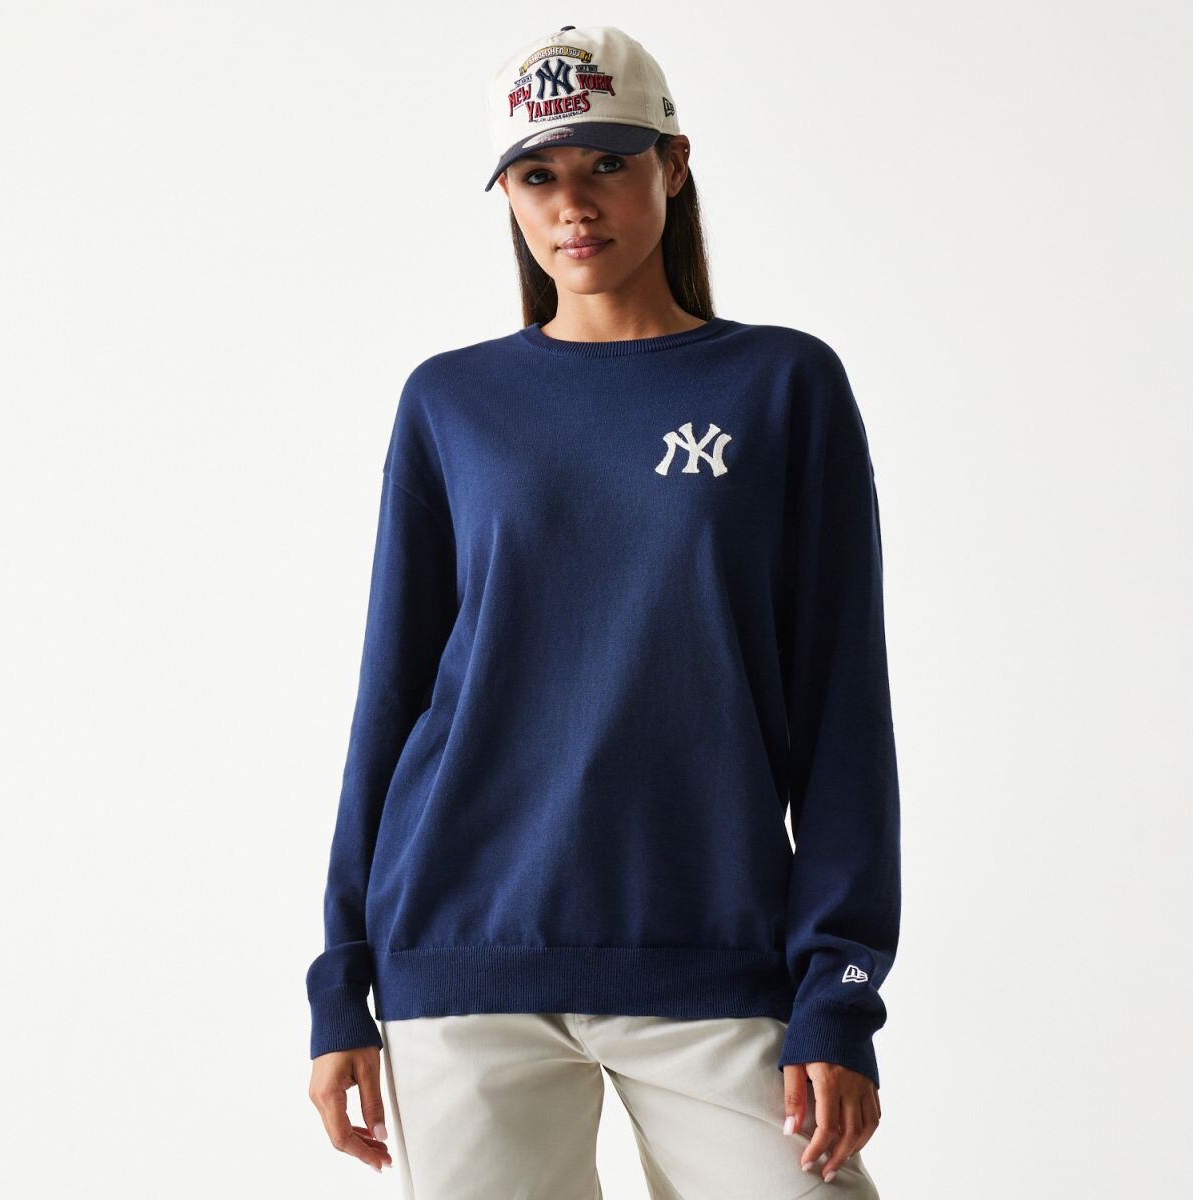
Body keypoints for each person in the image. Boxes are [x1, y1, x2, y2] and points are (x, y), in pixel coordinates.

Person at [305, 23, 901, 1200]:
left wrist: (838, 985)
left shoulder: (783, 386)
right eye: (538, 175)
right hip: (464, 955)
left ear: (672, 165)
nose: (573, 204)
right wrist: (341, 981)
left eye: (607, 165)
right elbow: (392, 697)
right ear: (508, 195)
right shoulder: (453, 402)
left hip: (715, 952)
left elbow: (844, 708)